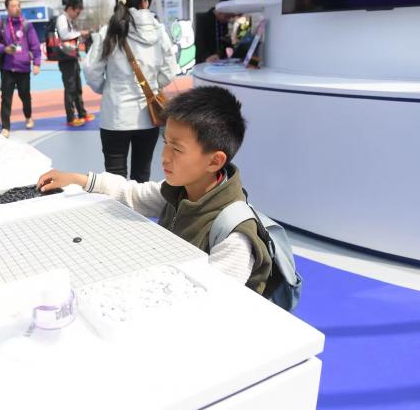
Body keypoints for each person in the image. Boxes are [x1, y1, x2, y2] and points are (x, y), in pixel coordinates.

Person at [36, 86, 272, 294]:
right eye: (165, 142)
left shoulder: (235, 237)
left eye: (177, 149)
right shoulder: (180, 191)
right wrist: (77, 179)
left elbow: (214, 298)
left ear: (214, 161)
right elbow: (131, 193)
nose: (164, 157)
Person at [84, 0, 177, 183]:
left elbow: (91, 71)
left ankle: (116, 206)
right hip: (149, 116)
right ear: (145, 2)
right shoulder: (159, 32)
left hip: (115, 116)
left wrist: (107, 88)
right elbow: (170, 70)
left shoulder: (108, 32)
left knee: (114, 180)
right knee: (141, 176)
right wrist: (153, 86)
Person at [0, 0, 42, 138]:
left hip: (24, 68)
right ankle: (5, 127)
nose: (16, 8)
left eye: (18, 5)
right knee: (6, 98)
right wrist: (4, 48)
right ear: (7, 9)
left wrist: (37, 63)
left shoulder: (27, 25)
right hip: (8, 68)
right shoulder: (1, 24)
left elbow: (35, 45)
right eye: (13, 6)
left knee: (25, 96)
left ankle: (28, 117)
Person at [56, 0, 95, 127]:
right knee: (70, 88)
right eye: (77, 12)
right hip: (65, 59)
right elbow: (64, 35)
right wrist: (80, 33)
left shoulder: (69, 20)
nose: (78, 15)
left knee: (77, 87)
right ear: (70, 9)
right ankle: (71, 117)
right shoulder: (62, 19)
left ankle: (82, 113)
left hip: (71, 57)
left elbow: (72, 39)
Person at [194, 0, 237, 64]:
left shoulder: (223, 22)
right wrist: (206, 57)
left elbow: (224, 43)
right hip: (205, 61)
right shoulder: (203, 19)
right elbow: (199, 43)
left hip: (219, 61)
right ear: (219, 12)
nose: (228, 20)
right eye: (227, 17)